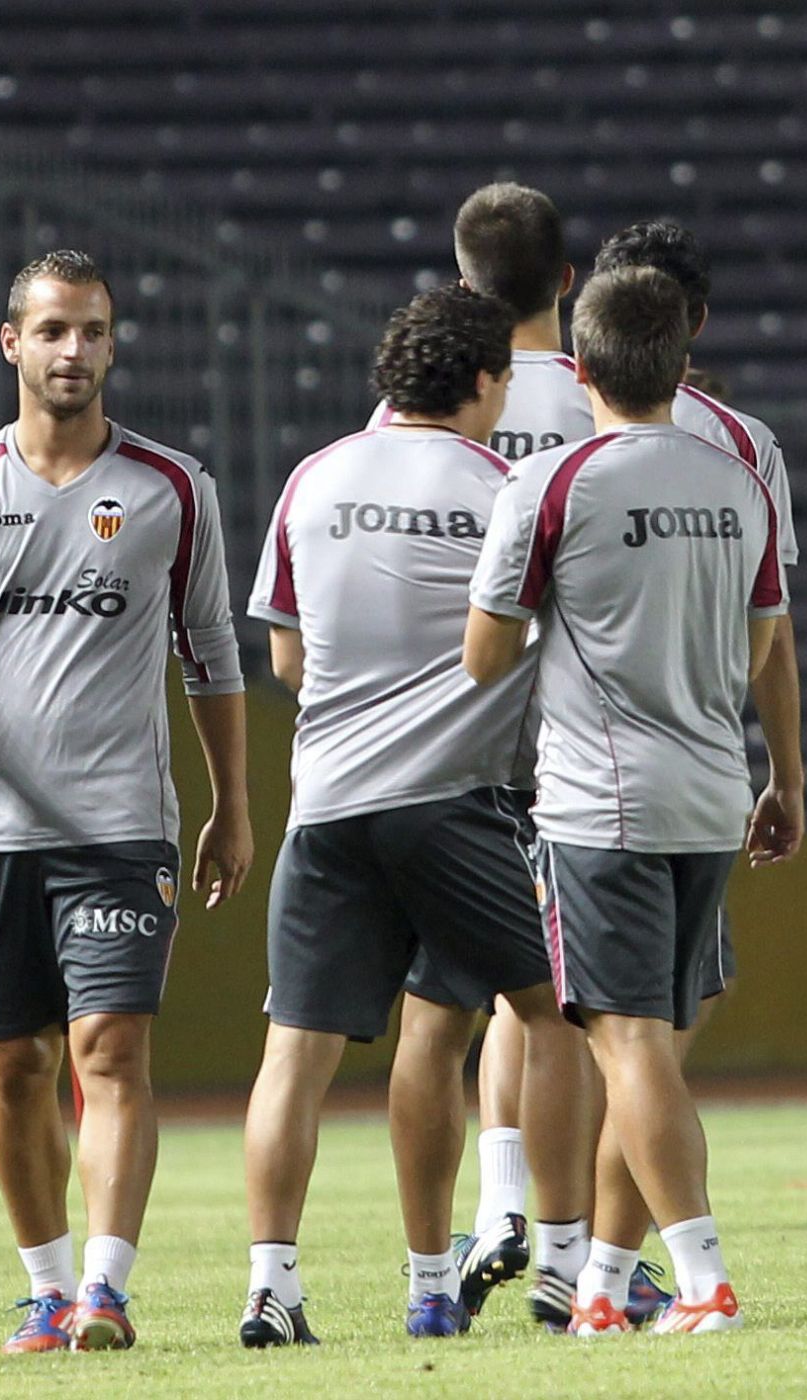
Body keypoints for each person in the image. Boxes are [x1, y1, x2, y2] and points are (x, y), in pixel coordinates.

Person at [0, 249, 253, 1355]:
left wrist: (231, 804)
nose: (72, 350)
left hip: (123, 822)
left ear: (113, 344)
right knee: (15, 1061)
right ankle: (42, 1284)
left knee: (110, 1050)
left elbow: (212, 657)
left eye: (91, 330)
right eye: (51, 331)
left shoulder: (172, 488)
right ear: (12, 344)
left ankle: (104, 1288)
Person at [240, 283, 593, 1345]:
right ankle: (566, 1266)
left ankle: (274, 1284)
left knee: (294, 1053)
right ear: (486, 379)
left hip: (328, 806)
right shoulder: (506, 485)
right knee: (557, 1015)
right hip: (456, 806)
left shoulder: (316, 475)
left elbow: (288, 657)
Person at [463, 266, 800, 1336]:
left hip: (600, 804)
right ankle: (604, 1284)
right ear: (676, 357)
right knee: (643, 1040)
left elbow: (486, 653)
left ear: (583, 366)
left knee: (627, 1045)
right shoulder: (737, 479)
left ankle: (702, 1279)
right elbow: (758, 647)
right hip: (712, 793)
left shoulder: (554, 484)